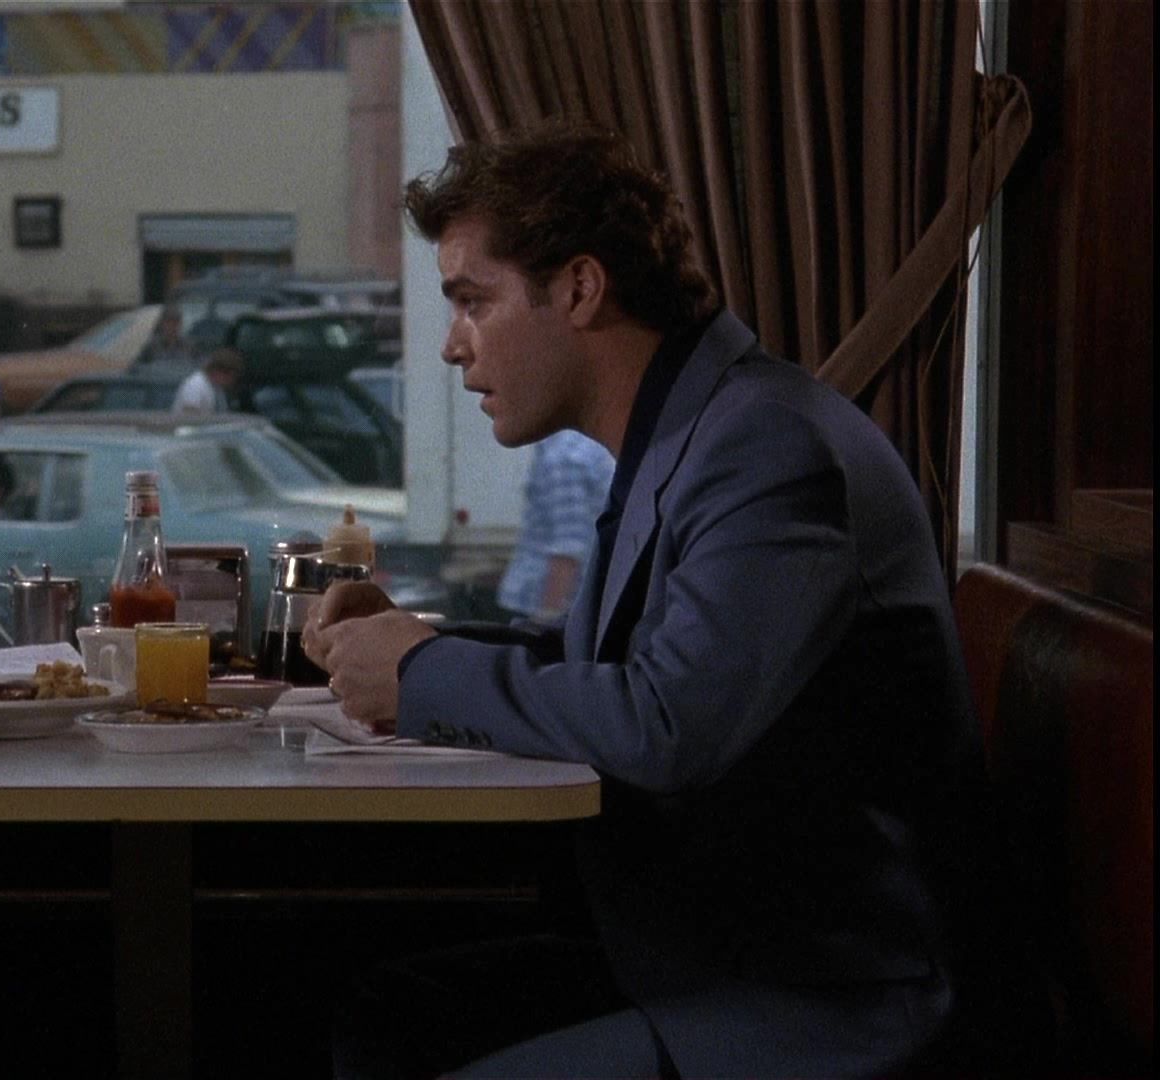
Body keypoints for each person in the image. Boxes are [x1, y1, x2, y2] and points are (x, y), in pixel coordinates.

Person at [306, 127, 995, 1077]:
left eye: (472, 300)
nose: (453, 345)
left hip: (827, 995)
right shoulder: (697, 428)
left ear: (580, 289)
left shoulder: (763, 445)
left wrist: (421, 673)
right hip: (699, 952)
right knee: (389, 1014)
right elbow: (610, 666)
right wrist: (410, 643)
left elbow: (672, 721)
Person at [496, 428, 614, 626]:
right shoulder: (585, 445)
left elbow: (568, 546)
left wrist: (547, 616)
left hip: (536, 605)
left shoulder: (564, 457)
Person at [171, 347, 245, 414]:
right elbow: (189, 417)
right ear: (218, 371)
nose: (231, 381)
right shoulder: (195, 385)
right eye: (230, 377)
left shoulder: (216, 388)